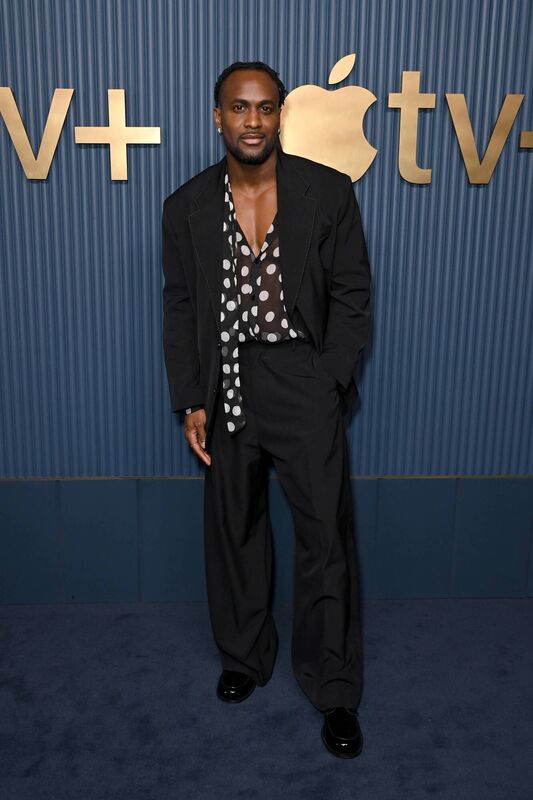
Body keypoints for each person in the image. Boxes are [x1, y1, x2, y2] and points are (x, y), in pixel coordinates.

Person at [161, 60, 371, 758]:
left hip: (300, 376)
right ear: (216, 116)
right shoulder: (184, 205)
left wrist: (330, 379)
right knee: (234, 526)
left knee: (325, 538)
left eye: (265, 108)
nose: (252, 120)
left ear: (281, 115)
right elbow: (181, 304)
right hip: (224, 376)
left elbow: (350, 295)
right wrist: (191, 396)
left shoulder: (327, 192)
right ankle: (244, 657)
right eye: (238, 108)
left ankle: (334, 687)